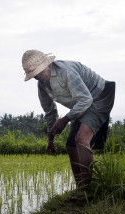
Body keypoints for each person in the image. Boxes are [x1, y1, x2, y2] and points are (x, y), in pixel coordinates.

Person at [21, 50, 115, 188]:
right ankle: (80, 187)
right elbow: (50, 112)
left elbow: (86, 99)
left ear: (47, 65)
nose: (38, 77)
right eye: (34, 75)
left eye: (39, 72)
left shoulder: (66, 71)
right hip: (82, 102)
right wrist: (51, 139)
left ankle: (88, 190)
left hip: (99, 94)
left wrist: (65, 120)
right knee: (71, 145)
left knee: (81, 139)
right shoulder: (42, 85)